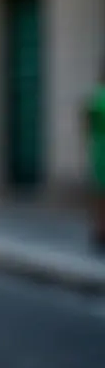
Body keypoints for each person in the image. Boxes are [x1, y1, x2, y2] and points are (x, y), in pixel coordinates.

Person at [84, 66, 105, 250]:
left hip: (99, 149)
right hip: (100, 148)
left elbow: (86, 120)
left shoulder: (97, 96)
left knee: (99, 193)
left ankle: (99, 229)